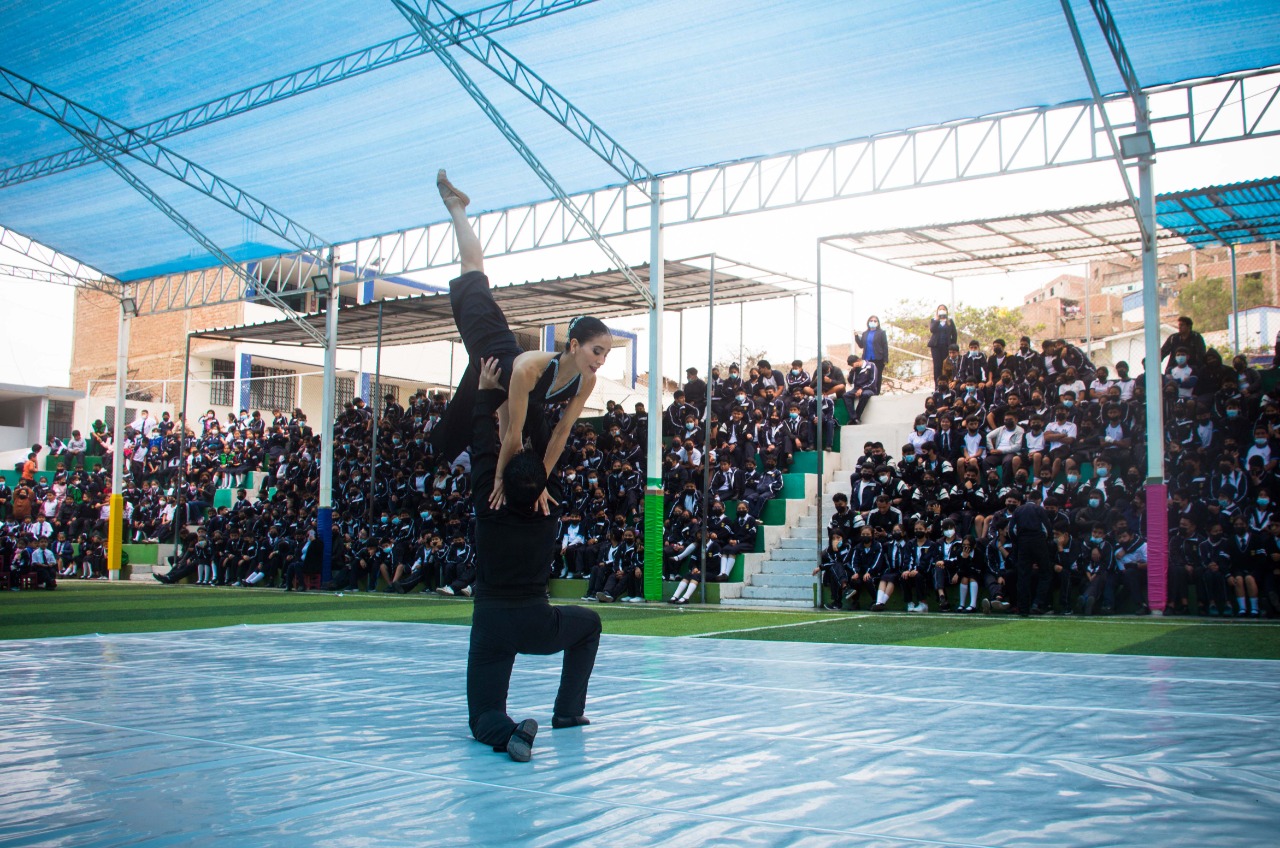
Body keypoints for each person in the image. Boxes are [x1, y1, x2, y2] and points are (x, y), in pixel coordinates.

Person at [431, 171, 611, 514]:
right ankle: (457, 207)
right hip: (492, 351)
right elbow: (511, 430)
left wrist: (537, 483)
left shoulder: (586, 380)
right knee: (473, 272)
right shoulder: (531, 367)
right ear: (574, 345)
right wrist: (501, 480)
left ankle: (457, 207)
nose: (600, 360)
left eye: (606, 354)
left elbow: (560, 435)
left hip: (501, 379)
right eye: (596, 351)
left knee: (457, 436)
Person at [464, 357, 602, 763]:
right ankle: (568, 711)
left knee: (484, 716)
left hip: (491, 625)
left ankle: (510, 734)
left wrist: (488, 392)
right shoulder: (549, 507)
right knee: (588, 625)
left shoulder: (487, 502)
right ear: (542, 486)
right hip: (536, 623)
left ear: (500, 482)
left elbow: (483, 442)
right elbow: (549, 444)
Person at [855, 315, 888, 392]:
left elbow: (885, 346)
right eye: (871, 321)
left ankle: (877, 392)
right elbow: (861, 345)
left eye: (875, 321)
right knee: (867, 376)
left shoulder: (881, 333)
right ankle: (868, 391)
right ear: (868, 322)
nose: (873, 322)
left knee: (877, 376)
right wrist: (856, 337)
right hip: (867, 359)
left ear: (878, 323)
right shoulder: (865, 333)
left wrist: (885, 359)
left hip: (878, 358)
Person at [927, 304, 957, 381]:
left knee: (946, 365)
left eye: (943, 309)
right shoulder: (934, 320)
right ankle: (937, 385)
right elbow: (932, 330)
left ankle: (946, 384)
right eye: (940, 309)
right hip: (936, 346)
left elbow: (954, 334)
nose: (942, 310)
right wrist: (937, 320)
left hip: (946, 346)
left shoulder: (950, 321)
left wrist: (952, 345)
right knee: (937, 366)